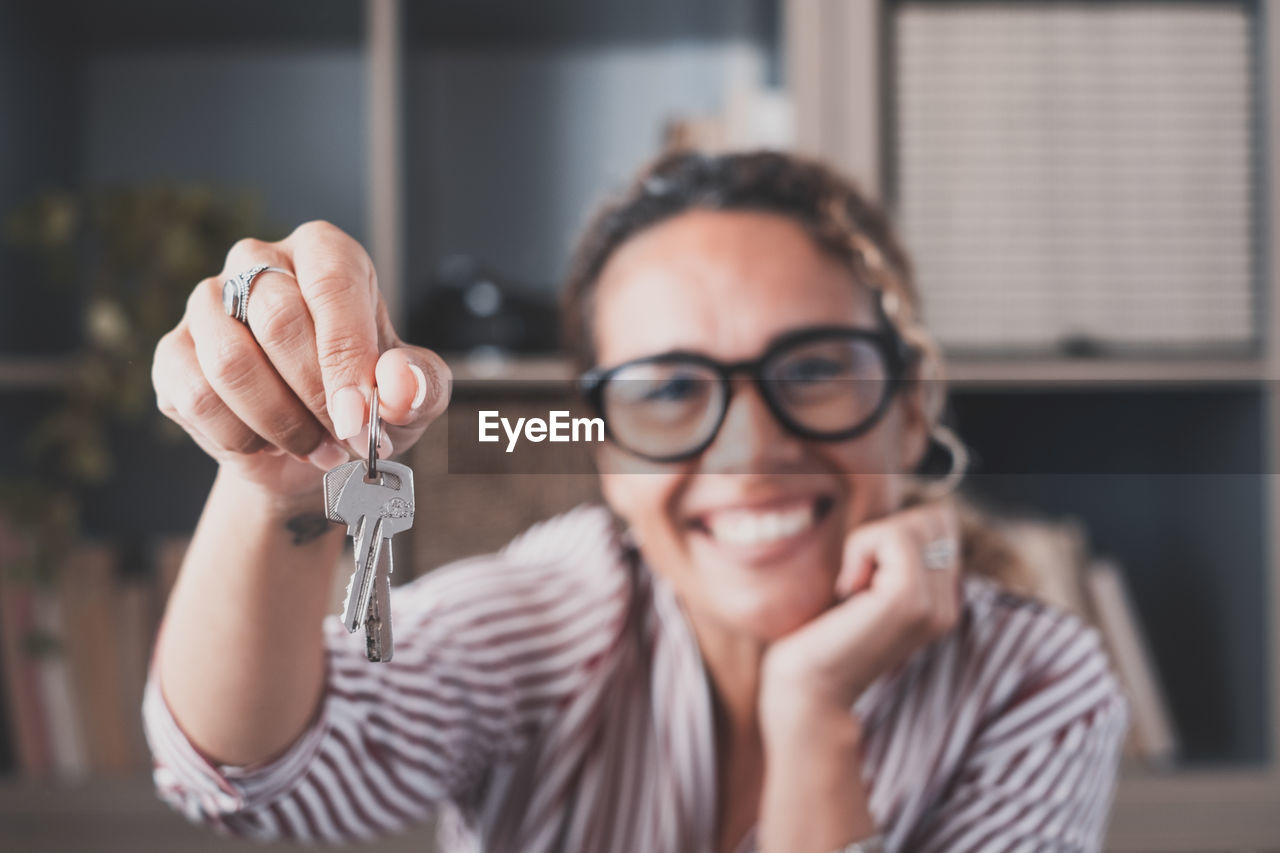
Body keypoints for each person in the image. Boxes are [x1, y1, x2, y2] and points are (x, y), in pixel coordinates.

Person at [145, 150, 1128, 853]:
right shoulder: (549, 612)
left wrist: (811, 714)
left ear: (909, 411)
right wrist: (281, 478)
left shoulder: (1029, 678)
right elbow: (248, 777)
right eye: (667, 389)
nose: (750, 450)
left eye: (815, 367)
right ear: (607, 454)